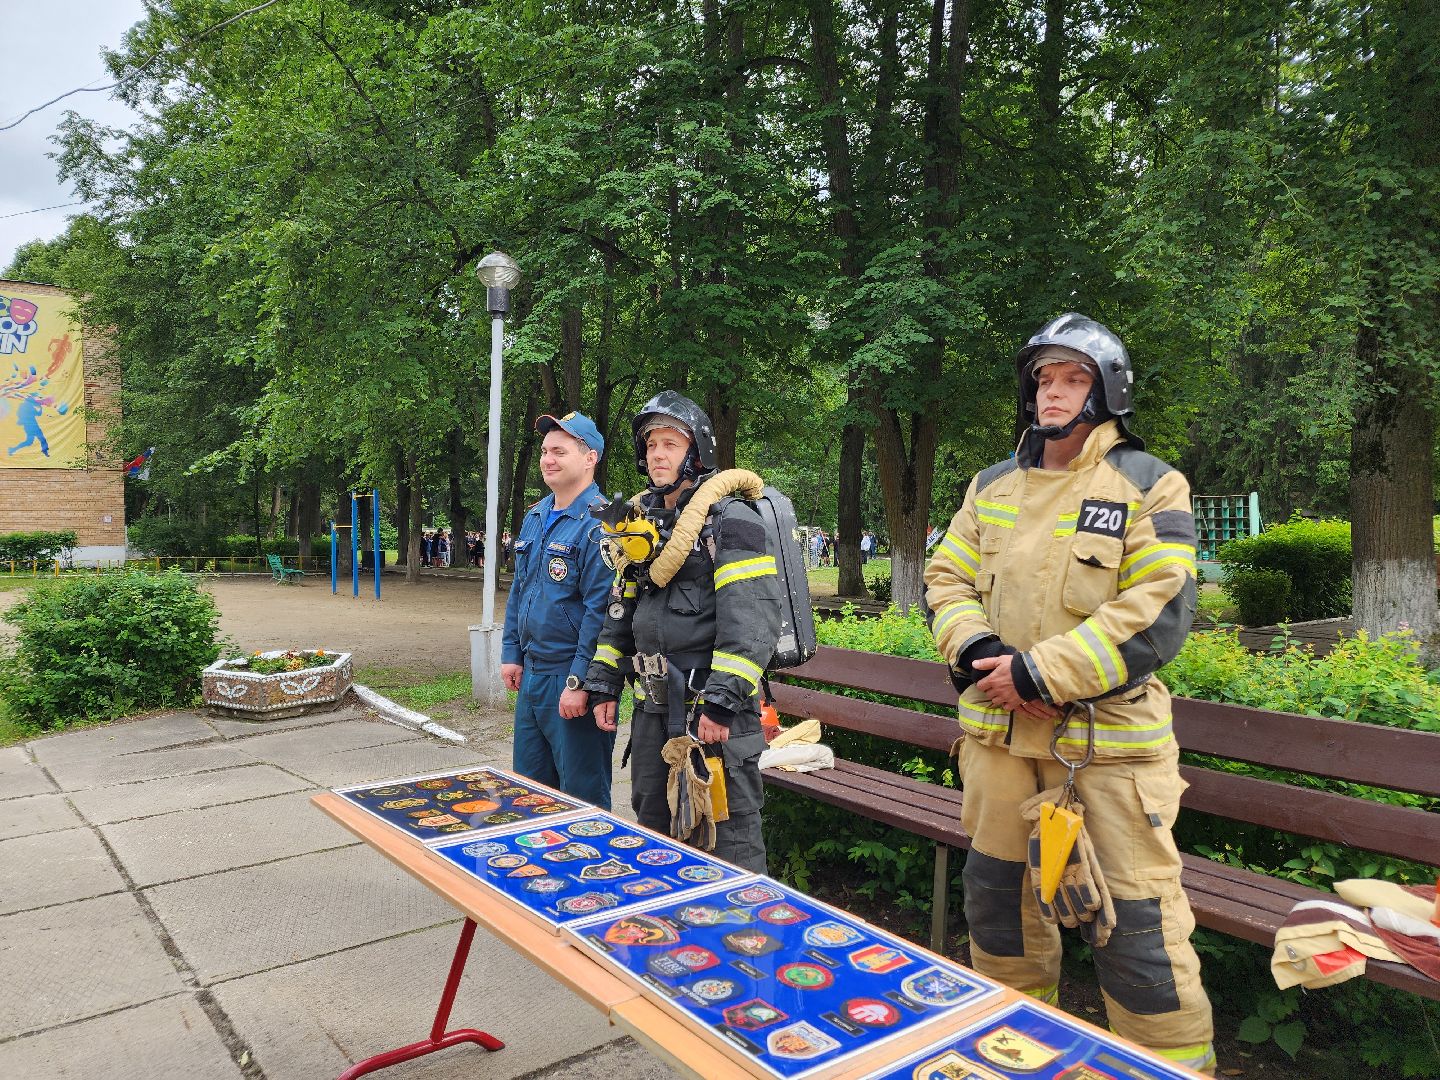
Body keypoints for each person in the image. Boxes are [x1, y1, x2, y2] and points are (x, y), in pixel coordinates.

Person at [924, 313, 1214, 1075]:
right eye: (1044, 379)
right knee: (997, 913)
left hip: (1108, 759)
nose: (1053, 392)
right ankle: (1014, 1055)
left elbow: (1163, 601)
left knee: (1138, 933)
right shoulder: (990, 485)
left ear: (1108, 390)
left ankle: (1173, 1066)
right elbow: (944, 578)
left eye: (1073, 378)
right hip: (997, 748)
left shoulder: (1151, 484)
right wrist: (984, 653)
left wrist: (1039, 674)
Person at [585, 391, 781, 873]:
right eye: (652, 444)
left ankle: (743, 941)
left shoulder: (732, 521)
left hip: (714, 716)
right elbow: (620, 610)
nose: (657, 454)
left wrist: (721, 702)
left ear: (698, 452)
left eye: (671, 443)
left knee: (726, 841)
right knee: (652, 827)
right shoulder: (640, 527)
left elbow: (753, 620)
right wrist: (604, 681)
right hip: (652, 712)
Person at [501, 412, 616, 807]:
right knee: (530, 796)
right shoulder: (536, 515)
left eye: (559, 451)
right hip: (532, 677)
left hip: (569, 679)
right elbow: (521, 588)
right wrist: (511, 653)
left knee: (582, 798)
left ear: (590, 458)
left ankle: (590, 868)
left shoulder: (600, 524)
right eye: (545, 451)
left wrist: (579, 682)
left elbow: (601, 613)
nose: (548, 459)